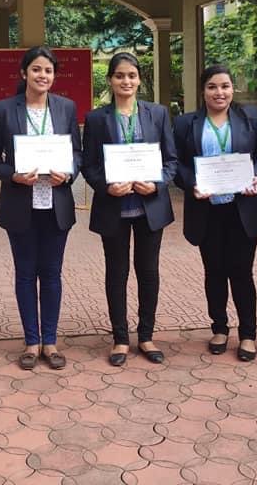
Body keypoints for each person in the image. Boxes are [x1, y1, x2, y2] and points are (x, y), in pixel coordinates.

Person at [0, 46, 82, 371]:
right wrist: (13, 176)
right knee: (25, 274)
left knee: (52, 274)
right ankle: (31, 341)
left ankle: (50, 342)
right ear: (24, 73)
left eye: (48, 71)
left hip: (56, 204)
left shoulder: (66, 108)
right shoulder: (4, 110)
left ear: (54, 76)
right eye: (36, 69)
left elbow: (76, 153)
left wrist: (68, 173)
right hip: (20, 204)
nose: (43, 75)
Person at [173, 65, 257, 362]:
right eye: (212, 87)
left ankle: (248, 334)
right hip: (207, 209)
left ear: (233, 89)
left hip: (243, 208)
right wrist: (191, 184)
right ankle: (219, 328)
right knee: (214, 271)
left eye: (225, 86)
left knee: (242, 271)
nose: (219, 93)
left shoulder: (250, 117)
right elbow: (176, 163)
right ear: (202, 91)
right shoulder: (186, 124)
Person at [81, 53, 177, 366]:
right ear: (110, 80)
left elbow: (171, 160)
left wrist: (158, 184)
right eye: (120, 75)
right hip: (114, 207)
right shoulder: (97, 118)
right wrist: (106, 186)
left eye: (132, 75)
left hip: (149, 207)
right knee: (117, 272)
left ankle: (146, 336)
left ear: (139, 79)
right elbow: (89, 164)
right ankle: (120, 338)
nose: (126, 81)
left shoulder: (157, 113)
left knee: (148, 272)